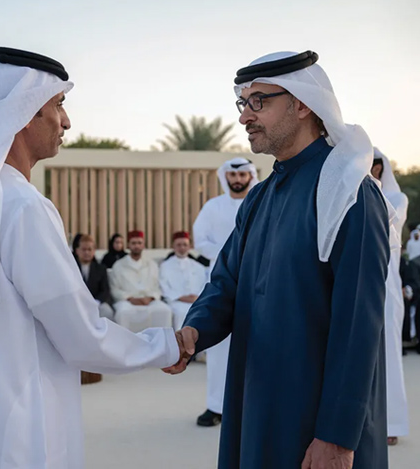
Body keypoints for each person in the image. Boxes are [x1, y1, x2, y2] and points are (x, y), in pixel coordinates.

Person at [0, 48, 180, 469]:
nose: (66, 121)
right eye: (58, 104)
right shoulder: (22, 206)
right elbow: (79, 333)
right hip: (18, 426)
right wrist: (166, 346)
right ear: (23, 112)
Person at [165, 50, 390, 468]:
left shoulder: (350, 193)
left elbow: (359, 324)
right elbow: (226, 282)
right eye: (243, 103)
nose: (244, 117)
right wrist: (195, 330)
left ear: (302, 104)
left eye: (259, 102)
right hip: (257, 397)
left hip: (316, 416)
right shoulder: (260, 197)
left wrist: (337, 435)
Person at [191, 156, 259, 427]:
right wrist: (230, 256)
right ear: (225, 176)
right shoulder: (213, 206)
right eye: (233, 175)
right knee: (219, 348)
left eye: (242, 175)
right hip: (222, 282)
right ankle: (216, 406)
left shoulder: (260, 201)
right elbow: (200, 241)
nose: (237, 180)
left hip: (256, 279)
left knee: (257, 344)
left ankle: (253, 408)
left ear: (250, 176)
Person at [371, 148, 409, 446]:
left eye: (376, 164)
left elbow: (384, 226)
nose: (372, 168)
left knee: (388, 355)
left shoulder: (396, 198)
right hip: (348, 282)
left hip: (386, 286)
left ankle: (391, 422)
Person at [109, 230, 173, 332]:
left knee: (164, 311)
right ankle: (125, 341)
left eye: (139, 243)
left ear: (143, 245)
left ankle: (159, 341)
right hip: (127, 301)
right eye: (133, 243)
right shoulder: (119, 265)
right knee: (123, 313)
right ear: (128, 245)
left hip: (149, 301)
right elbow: (114, 289)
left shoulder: (152, 264)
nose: (136, 246)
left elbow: (158, 286)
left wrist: (151, 297)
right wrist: (130, 298)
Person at [159, 231, 207, 330]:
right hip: (177, 302)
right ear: (173, 246)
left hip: (197, 300)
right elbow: (163, 286)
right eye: (179, 245)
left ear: (189, 246)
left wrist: (197, 297)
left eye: (185, 245)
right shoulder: (165, 265)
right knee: (181, 313)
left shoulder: (199, 266)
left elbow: (205, 284)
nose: (182, 248)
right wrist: (181, 297)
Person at [75, 235, 114, 320]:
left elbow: (105, 290)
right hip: (76, 303)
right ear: (77, 251)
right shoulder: (71, 268)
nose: (87, 252)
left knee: (107, 312)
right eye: (84, 249)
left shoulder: (101, 269)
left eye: (89, 249)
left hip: (97, 303)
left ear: (94, 251)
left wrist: (97, 302)